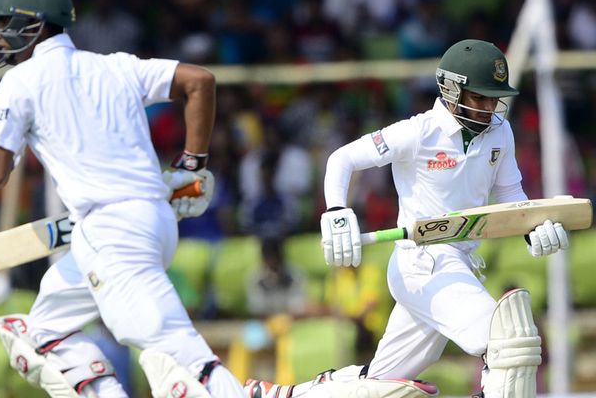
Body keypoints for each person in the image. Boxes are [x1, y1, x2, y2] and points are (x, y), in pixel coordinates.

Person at [244, 39, 571, 398]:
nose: (489, 108)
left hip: (458, 262)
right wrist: (337, 212)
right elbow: (342, 159)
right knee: (508, 342)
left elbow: (511, 196)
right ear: (450, 89)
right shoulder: (418, 132)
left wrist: (533, 228)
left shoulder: (500, 131)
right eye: (479, 97)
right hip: (424, 262)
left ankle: (283, 395)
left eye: (495, 98)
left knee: (381, 385)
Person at [0, 0, 244, 398]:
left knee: (175, 346)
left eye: (6, 24)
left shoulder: (19, 82)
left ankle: (232, 393)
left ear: (36, 24)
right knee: (44, 332)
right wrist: (193, 165)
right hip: (149, 221)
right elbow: (199, 82)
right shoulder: (116, 66)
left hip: (111, 233)